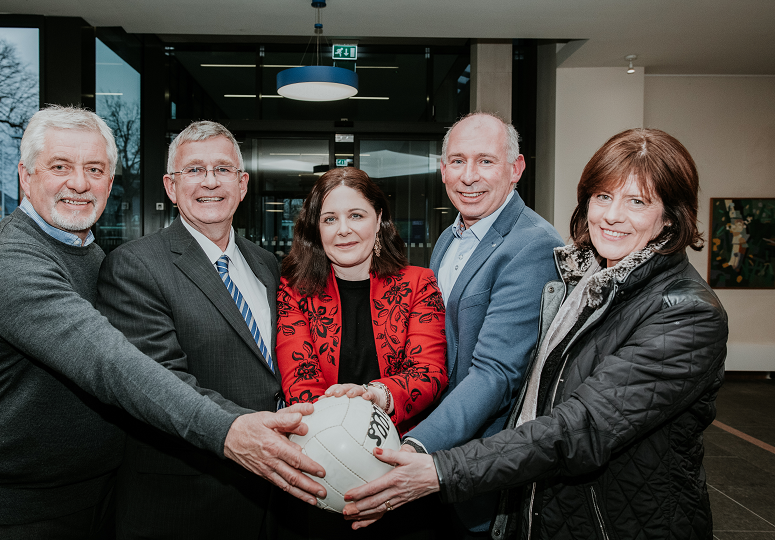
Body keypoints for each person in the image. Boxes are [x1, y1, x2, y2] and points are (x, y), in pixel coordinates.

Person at [0, 106, 325, 540]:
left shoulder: (87, 252)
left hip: (95, 494)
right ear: (25, 175)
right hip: (20, 509)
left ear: (110, 183)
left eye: (95, 169)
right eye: (60, 166)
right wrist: (229, 430)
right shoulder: (9, 261)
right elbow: (108, 362)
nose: (79, 182)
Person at [342, 128, 729, 540]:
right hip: (552, 502)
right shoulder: (588, 280)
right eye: (603, 197)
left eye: (636, 202)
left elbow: (580, 427)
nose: (612, 215)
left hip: (621, 519)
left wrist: (438, 467)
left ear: (670, 215)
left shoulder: (687, 313)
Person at [96, 120, 292, 539]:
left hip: (271, 497)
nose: (210, 182)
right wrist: (260, 431)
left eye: (222, 169)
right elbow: (161, 381)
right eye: (194, 170)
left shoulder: (267, 264)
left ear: (242, 184)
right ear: (171, 186)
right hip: (186, 500)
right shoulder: (135, 266)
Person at [398, 112, 563, 536]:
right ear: (442, 170)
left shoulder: (533, 245)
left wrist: (417, 444)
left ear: (515, 169)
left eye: (486, 161)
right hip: (443, 452)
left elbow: (496, 374)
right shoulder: (448, 237)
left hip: (483, 459)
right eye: (457, 161)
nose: (469, 176)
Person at [273, 167, 449, 538]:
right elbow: (300, 382)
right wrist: (343, 462)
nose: (343, 229)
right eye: (330, 219)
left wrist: (375, 395)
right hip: (320, 470)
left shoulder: (419, 283)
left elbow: (428, 373)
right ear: (315, 230)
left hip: (401, 474)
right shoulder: (294, 289)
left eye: (356, 215)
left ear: (379, 219)